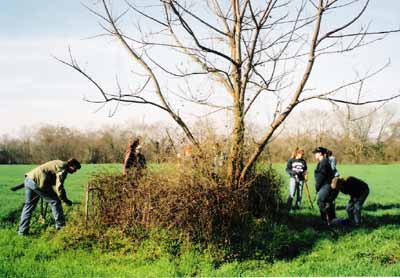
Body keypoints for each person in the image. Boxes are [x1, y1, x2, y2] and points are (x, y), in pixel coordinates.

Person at [18, 158, 81, 235]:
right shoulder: (63, 168)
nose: (75, 171)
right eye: (75, 169)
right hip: (38, 182)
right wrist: (65, 200)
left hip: (29, 179)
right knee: (55, 201)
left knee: (29, 206)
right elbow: (59, 187)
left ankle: (22, 231)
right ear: (71, 166)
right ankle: (61, 228)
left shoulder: (59, 162)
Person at [313, 146, 338, 224]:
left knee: (321, 201)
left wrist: (317, 187)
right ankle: (331, 220)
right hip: (325, 185)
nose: (314, 155)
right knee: (327, 202)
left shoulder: (324, 163)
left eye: (315, 153)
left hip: (326, 185)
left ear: (320, 153)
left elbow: (321, 177)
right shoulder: (323, 162)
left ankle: (326, 221)